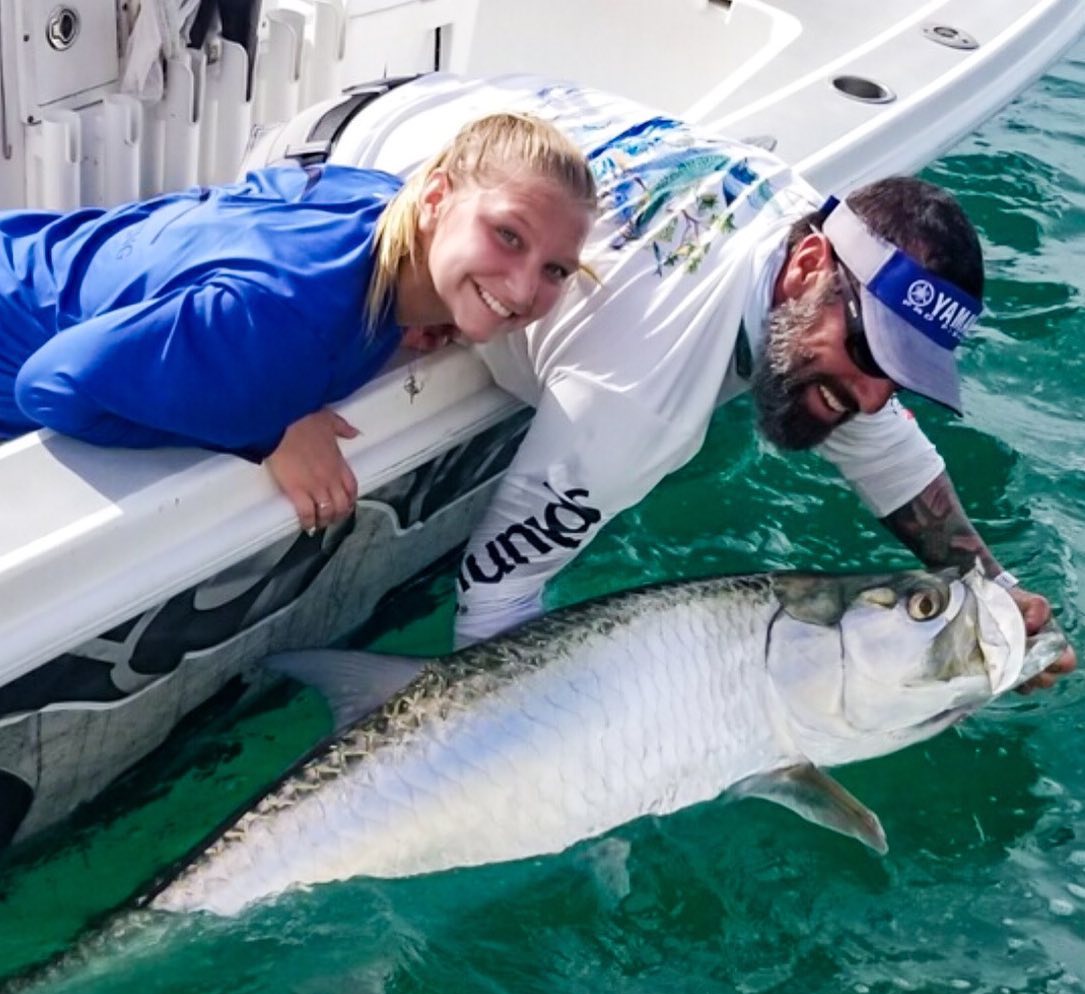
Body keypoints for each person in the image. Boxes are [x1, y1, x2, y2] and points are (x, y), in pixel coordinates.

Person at [294, 71, 1073, 690]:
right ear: (807, 267)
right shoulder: (639, 395)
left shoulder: (811, 244)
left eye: (903, 377)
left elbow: (883, 447)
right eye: (873, 357)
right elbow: (495, 590)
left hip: (434, 92)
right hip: (331, 167)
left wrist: (990, 592)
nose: (872, 397)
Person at [0, 111, 597, 533]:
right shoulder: (283, 321)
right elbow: (50, 383)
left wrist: (434, 311)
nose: (523, 287)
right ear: (436, 198)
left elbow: (265, 190)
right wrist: (265, 433)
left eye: (555, 270)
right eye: (507, 235)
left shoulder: (380, 201)